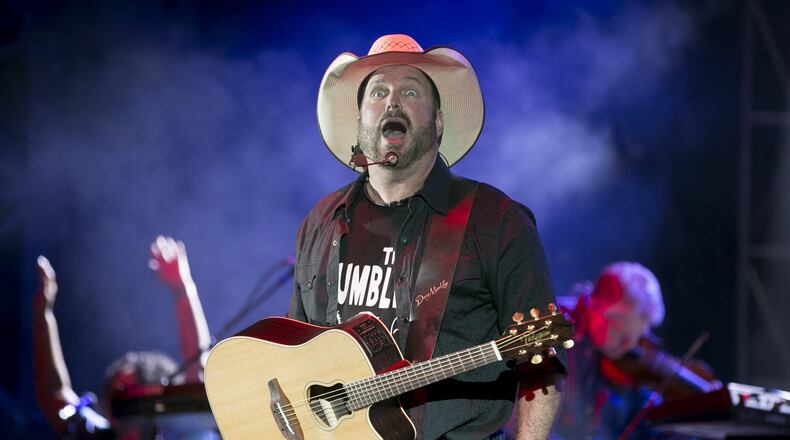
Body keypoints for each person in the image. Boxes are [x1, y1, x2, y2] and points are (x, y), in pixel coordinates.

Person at [288, 34, 565, 440]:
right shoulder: (321, 220)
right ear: (361, 121)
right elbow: (294, 354)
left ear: (437, 121)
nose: (392, 102)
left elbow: (542, 368)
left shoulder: (496, 220)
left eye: (410, 90)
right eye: (378, 92)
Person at [33, 236, 212, 439]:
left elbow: (196, 376)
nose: (121, 415)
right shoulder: (102, 435)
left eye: (129, 401)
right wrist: (43, 315)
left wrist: (182, 289)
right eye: (116, 401)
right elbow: (55, 396)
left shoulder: (185, 434)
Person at [551, 261, 673, 439]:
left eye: (636, 339)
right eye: (623, 335)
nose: (629, 347)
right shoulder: (553, 332)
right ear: (600, 309)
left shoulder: (612, 362)